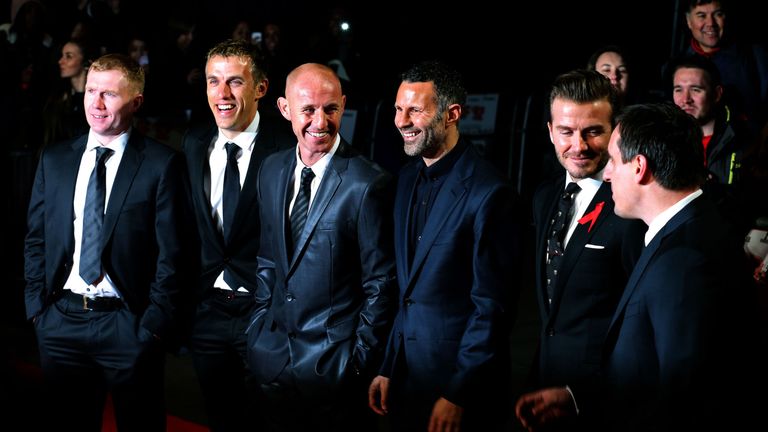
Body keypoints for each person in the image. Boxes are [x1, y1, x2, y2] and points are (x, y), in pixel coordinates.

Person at [24, 53, 188, 431]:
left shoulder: (161, 164)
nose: (96, 104)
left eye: (109, 95)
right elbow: (36, 239)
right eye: (91, 91)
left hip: (127, 325)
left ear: (136, 102)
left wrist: (152, 326)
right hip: (60, 322)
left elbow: (173, 253)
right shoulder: (54, 160)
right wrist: (38, 308)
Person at [367, 60, 520, 431]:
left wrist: (458, 393)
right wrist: (389, 365)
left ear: (452, 114)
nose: (402, 121)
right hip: (407, 385)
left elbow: (492, 310)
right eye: (398, 109)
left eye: (415, 110)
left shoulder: (490, 192)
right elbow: (407, 292)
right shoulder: (403, 180)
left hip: (462, 395)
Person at [246, 63, 396, 432]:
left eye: (330, 109)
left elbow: (380, 283)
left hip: (335, 372)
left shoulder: (367, 183)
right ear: (285, 109)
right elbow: (267, 259)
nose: (320, 121)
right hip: (272, 361)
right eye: (308, 110)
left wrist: (357, 361)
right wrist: (258, 332)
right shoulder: (271, 169)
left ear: (343, 105)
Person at [596, 102, 761, 430]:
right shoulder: (691, 227)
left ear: (640, 167)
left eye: (613, 161)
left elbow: (684, 399)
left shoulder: (683, 263)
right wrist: (578, 401)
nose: (606, 173)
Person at [515, 69, 645, 431]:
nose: (579, 146)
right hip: (544, 391)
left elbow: (640, 325)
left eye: (593, 131)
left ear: (615, 130)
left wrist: (583, 395)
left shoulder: (633, 207)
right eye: (566, 132)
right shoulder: (544, 197)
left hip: (605, 404)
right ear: (550, 131)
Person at [181, 39, 293, 431]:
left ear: (261, 88)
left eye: (234, 82)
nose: (222, 94)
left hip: (264, 313)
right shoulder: (194, 143)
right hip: (207, 313)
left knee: (269, 420)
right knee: (220, 417)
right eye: (213, 82)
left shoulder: (288, 149)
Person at [670, 54, 756, 233]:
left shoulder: (743, 139)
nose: (685, 99)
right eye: (678, 89)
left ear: (717, 94)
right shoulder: (661, 139)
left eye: (696, 89)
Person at [679, 0, 768, 132]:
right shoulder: (677, 66)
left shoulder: (755, 57)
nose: (711, 23)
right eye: (701, 15)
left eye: (718, 14)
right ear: (688, 21)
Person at [42, 38, 98, 148]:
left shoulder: (97, 98)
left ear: (86, 61)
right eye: (62, 56)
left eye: (69, 56)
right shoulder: (59, 98)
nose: (61, 61)